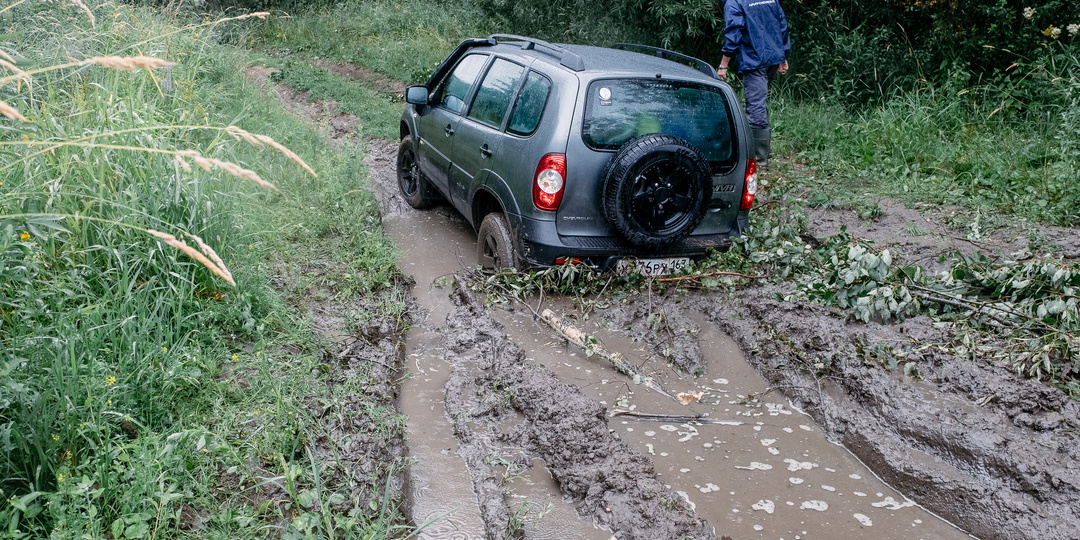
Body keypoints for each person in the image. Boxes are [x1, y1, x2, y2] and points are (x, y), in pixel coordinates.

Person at [717, 0, 790, 168]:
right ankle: (763, 151)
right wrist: (783, 55)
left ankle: (760, 158)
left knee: (755, 106)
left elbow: (734, 32)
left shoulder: (734, 3)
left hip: (755, 59)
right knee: (759, 102)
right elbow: (781, 25)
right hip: (772, 58)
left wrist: (724, 64)